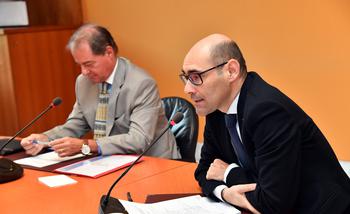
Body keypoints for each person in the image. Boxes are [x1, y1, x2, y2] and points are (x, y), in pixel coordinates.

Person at [180, 34, 350, 213]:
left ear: (231, 71)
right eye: (186, 78)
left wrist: (228, 173)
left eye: (196, 77)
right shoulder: (216, 110)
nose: (187, 89)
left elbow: (273, 203)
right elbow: (204, 171)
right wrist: (224, 193)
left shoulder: (267, 111)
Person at [21, 24, 180, 159]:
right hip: (108, 161)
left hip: (152, 161)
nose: (84, 72)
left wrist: (88, 145)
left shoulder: (141, 84)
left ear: (109, 53)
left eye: (89, 64)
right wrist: (45, 138)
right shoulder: (83, 82)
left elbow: (138, 140)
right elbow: (76, 125)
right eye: (80, 65)